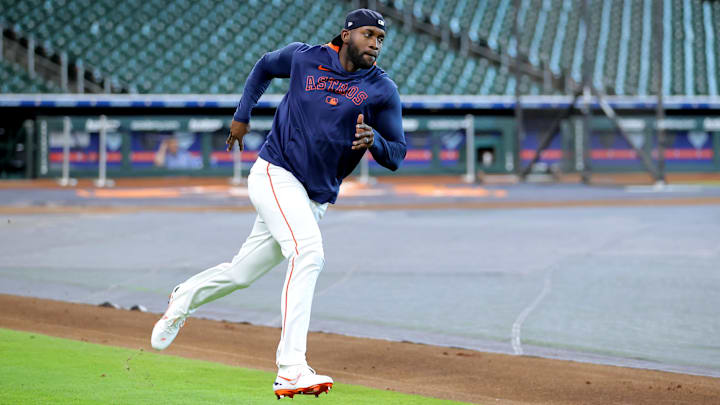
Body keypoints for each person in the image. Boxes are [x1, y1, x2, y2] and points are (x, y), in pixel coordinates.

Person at [150, 8, 406, 399]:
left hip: (313, 197)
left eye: (381, 39)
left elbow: (397, 154)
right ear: (346, 35)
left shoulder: (381, 89)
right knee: (308, 255)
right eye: (369, 34)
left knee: (241, 274)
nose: (375, 43)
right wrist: (242, 115)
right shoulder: (306, 57)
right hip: (275, 172)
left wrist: (376, 141)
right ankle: (290, 369)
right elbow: (264, 66)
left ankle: (183, 297)